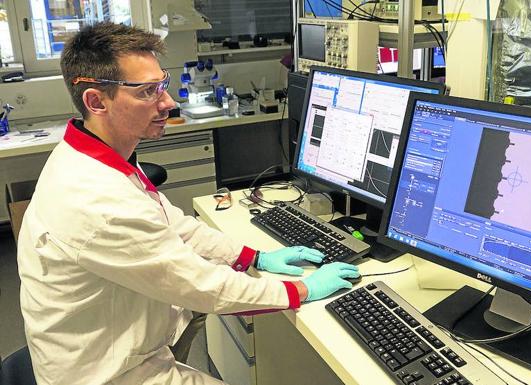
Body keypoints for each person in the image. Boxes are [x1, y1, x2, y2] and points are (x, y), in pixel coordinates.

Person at [17, 22, 359, 385]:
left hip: (116, 340)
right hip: (108, 374)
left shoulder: (92, 155)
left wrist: (252, 257)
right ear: (96, 101)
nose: (168, 102)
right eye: (148, 92)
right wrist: (302, 290)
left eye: (162, 84)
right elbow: (203, 286)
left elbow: (171, 223)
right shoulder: (98, 201)